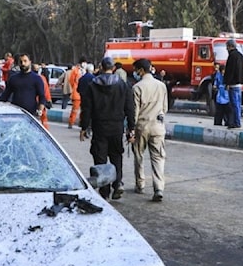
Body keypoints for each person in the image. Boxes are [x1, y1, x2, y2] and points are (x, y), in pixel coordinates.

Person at [79, 57, 136, 200]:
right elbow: (130, 108)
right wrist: (131, 128)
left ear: (101, 67)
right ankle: (118, 183)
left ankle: (104, 191)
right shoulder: (123, 85)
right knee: (117, 156)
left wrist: (84, 127)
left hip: (99, 128)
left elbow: (87, 108)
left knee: (100, 159)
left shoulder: (92, 85)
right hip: (117, 127)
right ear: (113, 68)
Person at [131, 58, 169, 202]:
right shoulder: (161, 86)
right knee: (158, 157)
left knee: (139, 156)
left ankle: (140, 184)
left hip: (142, 126)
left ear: (141, 70)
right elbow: (165, 108)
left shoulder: (137, 88)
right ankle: (159, 188)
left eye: (136, 70)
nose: (135, 73)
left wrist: (131, 130)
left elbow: (134, 111)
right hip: (158, 127)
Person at [0, 53, 49, 118]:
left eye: (25, 61)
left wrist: (40, 110)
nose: (23, 64)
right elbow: (5, 95)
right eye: (21, 62)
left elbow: (42, 96)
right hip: (15, 113)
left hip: (31, 115)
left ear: (30, 62)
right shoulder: (13, 78)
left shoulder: (37, 79)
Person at [222, 39, 243, 129]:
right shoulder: (241, 56)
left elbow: (230, 71)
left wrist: (227, 82)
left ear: (230, 46)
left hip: (233, 84)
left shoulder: (232, 56)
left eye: (227, 46)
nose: (226, 48)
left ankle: (235, 122)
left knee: (234, 104)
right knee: (238, 104)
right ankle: (237, 121)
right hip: (239, 84)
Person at [66, 58, 84, 129]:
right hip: (77, 94)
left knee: (81, 110)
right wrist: (75, 87)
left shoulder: (81, 71)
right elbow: (71, 81)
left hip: (79, 93)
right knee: (75, 110)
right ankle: (71, 123)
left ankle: (80, 123)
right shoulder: (76, 71)